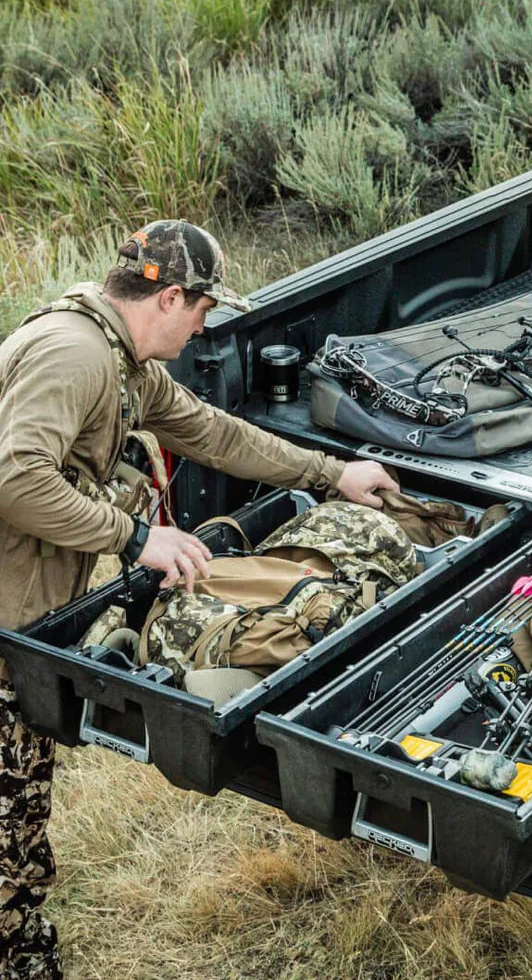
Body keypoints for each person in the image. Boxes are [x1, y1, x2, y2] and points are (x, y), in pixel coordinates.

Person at [0, 219, 400, 979]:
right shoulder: (74, 355)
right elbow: (15, 479)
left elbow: (213, 433)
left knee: (17, 808)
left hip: (16, 616)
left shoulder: (119, 364)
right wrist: (133, 537)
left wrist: (330, 474)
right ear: (170, 296)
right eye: (203, 311)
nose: (202, 328)